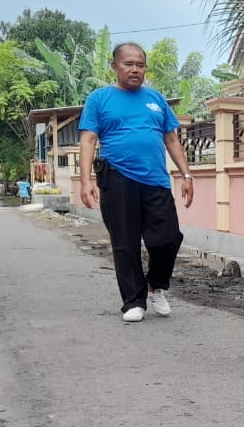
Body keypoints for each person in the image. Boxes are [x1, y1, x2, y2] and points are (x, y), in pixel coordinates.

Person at [78, 42, 195, 323]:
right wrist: (85, 181)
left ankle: (157, 285)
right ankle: (133, 300)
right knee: (125, 242)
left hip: (155, 180)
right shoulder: (99, 99)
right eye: (128, 64)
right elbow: (88, 140)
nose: (135, 69)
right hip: (116, 178)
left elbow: (171, 139)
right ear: (115, 66)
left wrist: (186, 174)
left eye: (140, 65)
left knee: (168, 238)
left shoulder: (156, 99)